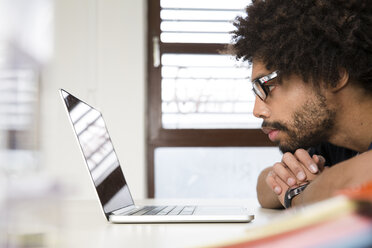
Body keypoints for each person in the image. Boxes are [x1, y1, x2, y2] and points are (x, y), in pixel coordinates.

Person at [231, 0, 372, 209]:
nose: (257, 111)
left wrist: (298, 195)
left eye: (267, 85)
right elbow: (265, 184)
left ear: (331, 76)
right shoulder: (332, 140)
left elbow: (357, 179)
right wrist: (297, 183)